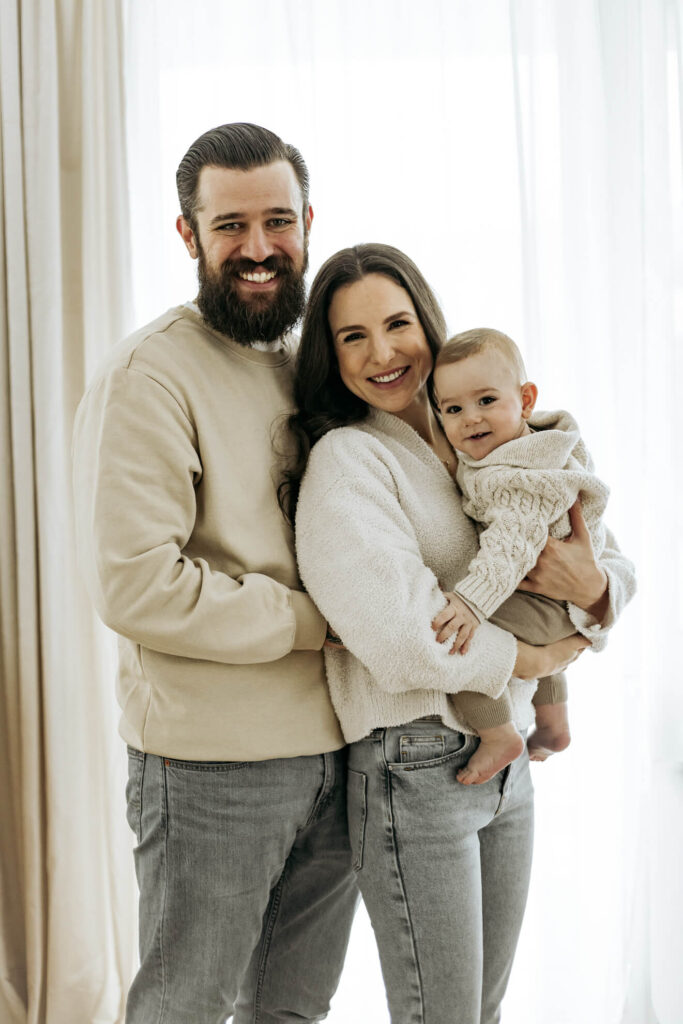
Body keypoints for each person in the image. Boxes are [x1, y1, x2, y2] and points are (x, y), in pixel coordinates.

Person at [289, 243, 636, 1024]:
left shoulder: (489, 440)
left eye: (396, 324)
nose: (382, 353)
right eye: (352, 336)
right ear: (330, 355)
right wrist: (541, 655)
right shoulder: (348, 460)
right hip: (412, 758)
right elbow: (402, 636)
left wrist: (593, 593)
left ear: (427, 323)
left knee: (481, 1011)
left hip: (506, 760)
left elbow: (607, 560)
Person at [72, 123, 358, 1024]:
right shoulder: (149, 375)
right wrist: (319, 620)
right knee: (183, 1008)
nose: (258, 248)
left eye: (277, 221)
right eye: (230, 225)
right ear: (188, 234)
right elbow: (136, 584)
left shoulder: (315, 364)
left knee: (290, 1013)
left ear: (308, 223)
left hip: (341, 749)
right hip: (211, 769)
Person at [428, 326, 626, 784]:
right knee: (508, 626)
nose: (471, 419)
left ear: (526, 400)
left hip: (549, 595)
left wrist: (471, 602)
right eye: (453, 409)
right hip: (558, 600)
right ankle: (554, 728)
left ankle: (498, 734)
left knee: (459, 639)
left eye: (486, 401)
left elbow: (511, 544)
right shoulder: (516, 451)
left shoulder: (525, 472)